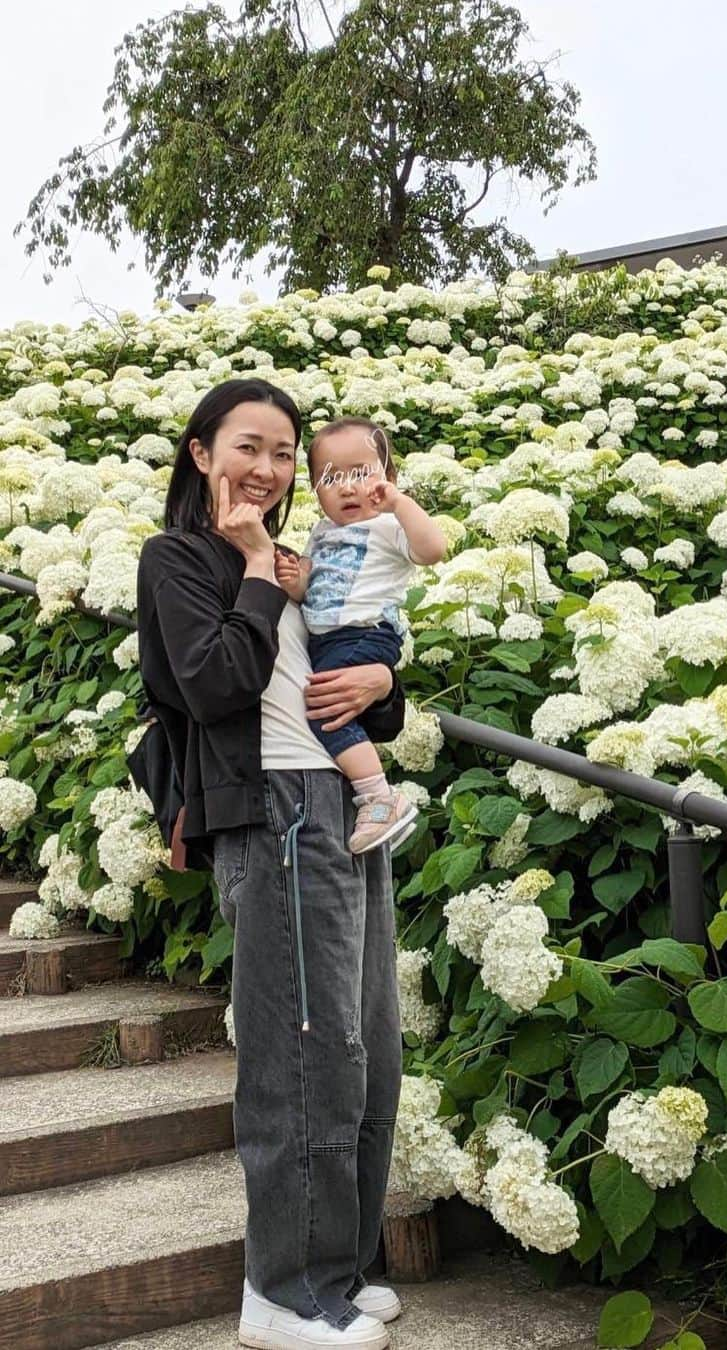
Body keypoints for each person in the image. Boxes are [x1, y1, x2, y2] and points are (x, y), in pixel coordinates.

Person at [135, 379, 407, 1350]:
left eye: (285, 452)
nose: (269, 468)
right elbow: (213, 684)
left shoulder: (303, 563)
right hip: (277, 818)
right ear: (202, 452)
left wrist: (386, 679)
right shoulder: (180, 560)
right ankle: (281, 1293)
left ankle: (341, 1268)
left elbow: (353, 690)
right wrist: (253, 564)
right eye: (249, 446)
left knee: (367, 1050)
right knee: (303, 1055)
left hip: (346, 807)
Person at [273, 417, 446, 855]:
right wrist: (295, 581)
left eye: (361, 473)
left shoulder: (389, 527)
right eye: (331, 478)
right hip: (329, 639)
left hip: (368, 634)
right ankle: (375, 795)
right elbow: (310, 591)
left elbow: (433, 550)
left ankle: (378, 796)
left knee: (323, 710)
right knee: (330, 707)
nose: (347, 487)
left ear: (388, 478)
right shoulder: (321, 532)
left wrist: (400, 504)